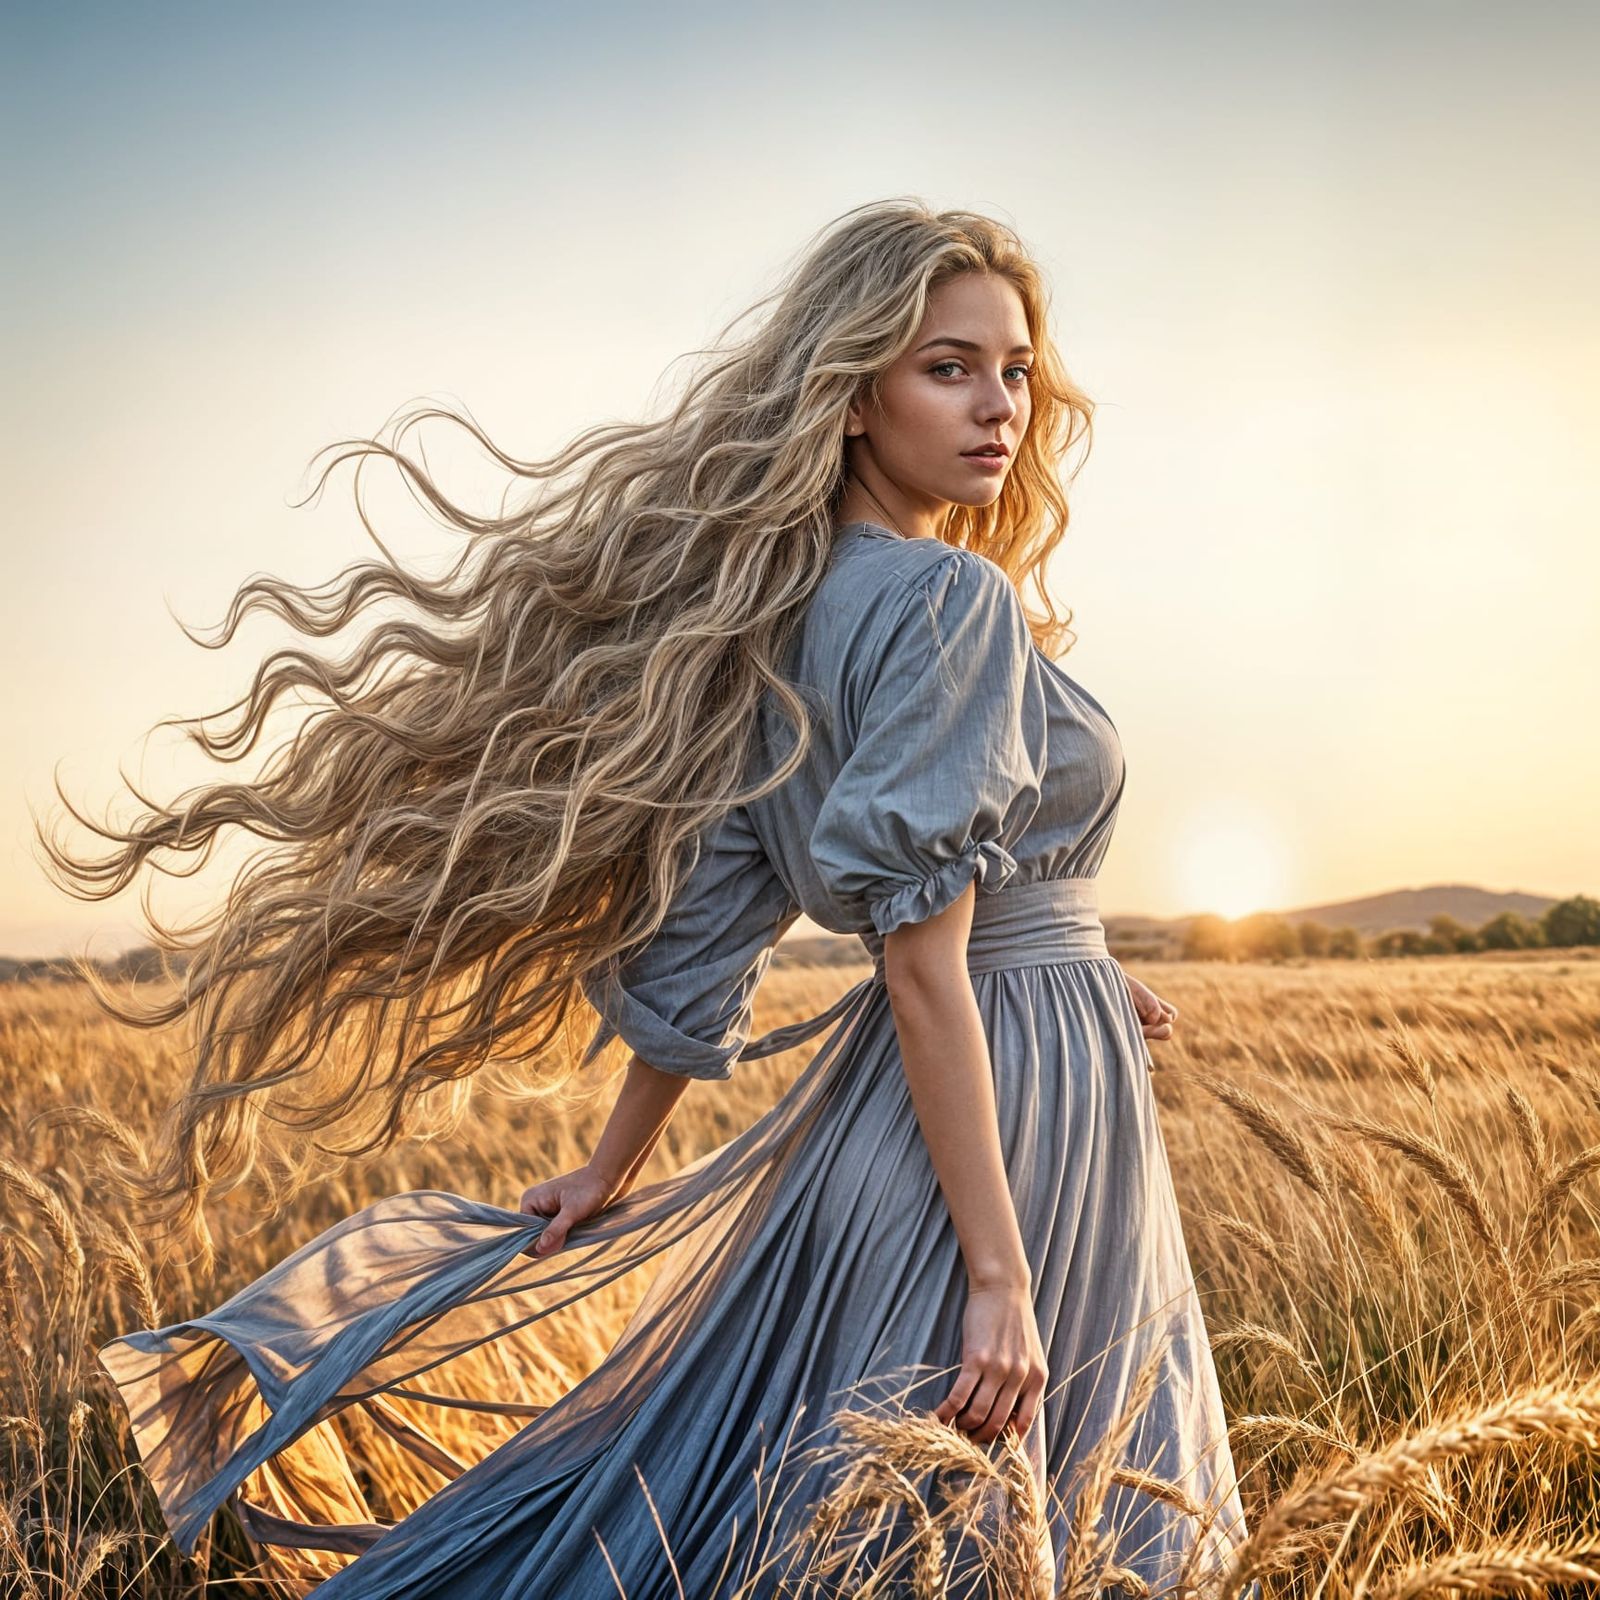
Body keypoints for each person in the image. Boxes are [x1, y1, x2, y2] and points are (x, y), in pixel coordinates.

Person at [60, 198, 1254, 1597]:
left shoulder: (775, 616)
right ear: (853, 396)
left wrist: (618, 1160)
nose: (999, 407)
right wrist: (999, 1273)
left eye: (1016, 370)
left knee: (805, 1528)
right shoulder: (949, 603)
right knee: (980, 1533)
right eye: (949, 367)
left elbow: (724, 922)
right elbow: (920, 968)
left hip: (966, 1100)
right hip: (996, 1143)